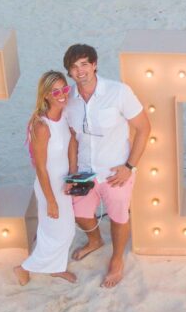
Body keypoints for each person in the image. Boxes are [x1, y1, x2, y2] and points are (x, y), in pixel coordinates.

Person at [63, 44, 151, 288]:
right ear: (69, 72)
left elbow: (144, 128)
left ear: (94, 65)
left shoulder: (119, 92)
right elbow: (72, 137)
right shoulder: (68, 99)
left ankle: (117, 258)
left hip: (115, 171)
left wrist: (129, 166)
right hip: (84, 172)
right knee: (80, 214)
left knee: (118, 217)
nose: (80, 71)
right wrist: (72, 173)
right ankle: (95, 241)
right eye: (74, 67)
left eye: (84, 64)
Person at [13, 71, 78, 286]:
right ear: (46, 95)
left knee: (65, 230)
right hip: (48, 185)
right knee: (57, 232)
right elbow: (40, 168)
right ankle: (23, 267)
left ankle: (56, 268)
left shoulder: (65, 114)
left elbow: (71, 143)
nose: (62, 94)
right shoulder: (41, 126)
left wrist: (73, 175)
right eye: (56, 91)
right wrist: (50, 199)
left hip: (64, 182)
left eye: (65, 89)